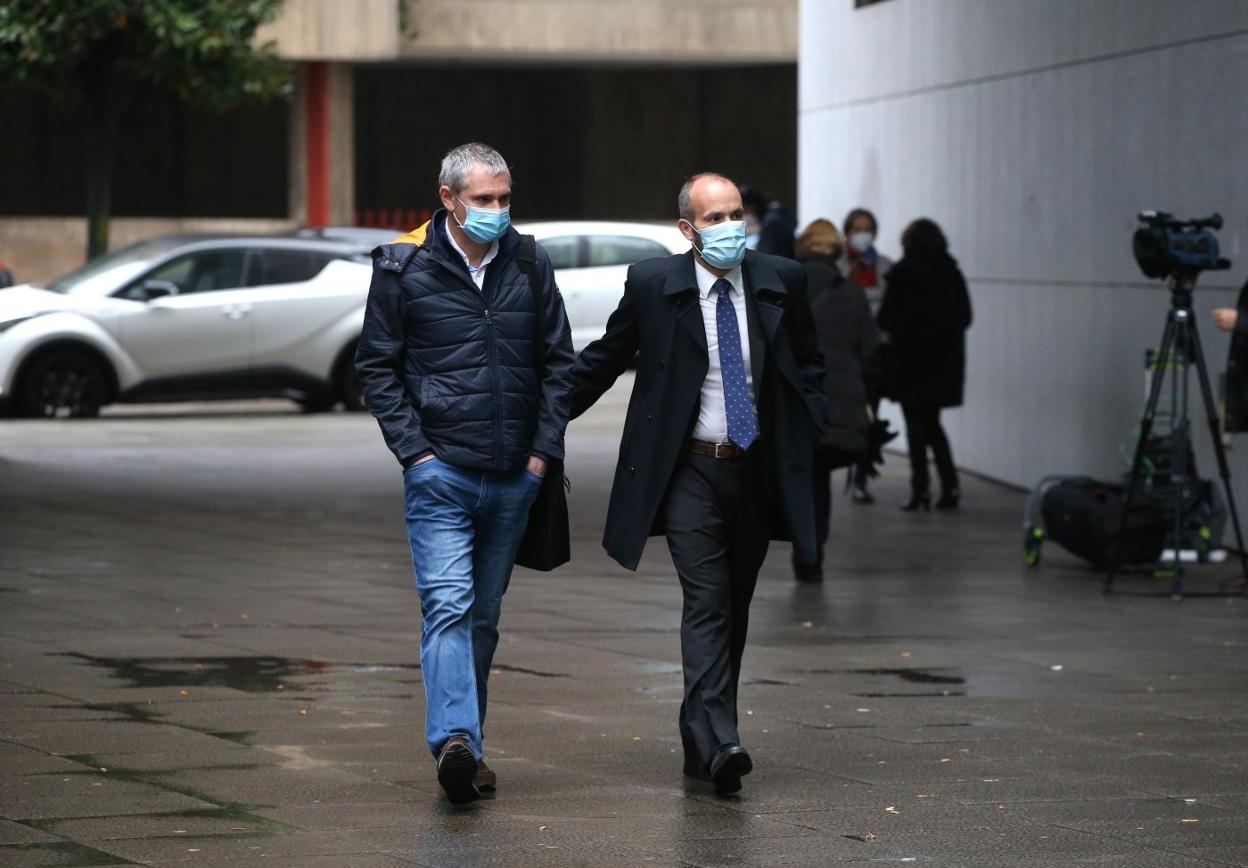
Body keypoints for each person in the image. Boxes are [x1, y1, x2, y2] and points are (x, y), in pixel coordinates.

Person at [570, 173, 825, 794]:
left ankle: (698, 732)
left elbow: (810, 362)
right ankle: (723, 740)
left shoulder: (781, 280)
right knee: (707, 600)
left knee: (734, 606)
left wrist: (811, 421)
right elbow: (605, 358)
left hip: (756, 469)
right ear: (688, 229)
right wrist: (539, 420)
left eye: (736, 213)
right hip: (689, 468)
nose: (730, 226)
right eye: (715, 218)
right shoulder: (656, 285)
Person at [355, 143, 574, 804]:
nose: (497, 212)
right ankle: (453, 740)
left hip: (514, 477)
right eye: (484, 200)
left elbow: (559, 364)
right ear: (449, 199)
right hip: (441, 474)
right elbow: (376, 368)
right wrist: (415, 455)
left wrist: (540, 455)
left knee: (481, 616)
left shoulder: (530, 263)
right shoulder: (402, 267)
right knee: (448, 605)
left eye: (504, 199)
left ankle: (468, 747)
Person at [791, 219, 881, 583]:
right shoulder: (852, 294)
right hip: (836, 403)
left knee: (794, 475)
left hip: (792, 400)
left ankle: (800, 545)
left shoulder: (781, 287)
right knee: (818, 480)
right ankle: (812, 553)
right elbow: (871, 355)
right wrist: (867, 401)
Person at [877, 218, 972, 512]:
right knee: (933, 424)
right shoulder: (951, 272)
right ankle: (950, 486)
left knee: (915, 427)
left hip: (909, 362)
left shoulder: (903, 273)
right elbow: (965, 316)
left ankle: (920, 490)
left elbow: (886, 318)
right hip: (943, 364)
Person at [838, 208, 894, 504]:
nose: (863, 233)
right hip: (846, 351)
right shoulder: (840, 266)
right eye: (857, 227)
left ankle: (861, 475)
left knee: (870, 413)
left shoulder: (884, 266)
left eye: (868, 228)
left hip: (875, 350)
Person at [739, 184, 796, 259]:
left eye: (745, 209)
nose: (745, 213)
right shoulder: (772, 216)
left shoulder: (772, 219)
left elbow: (768, 251)